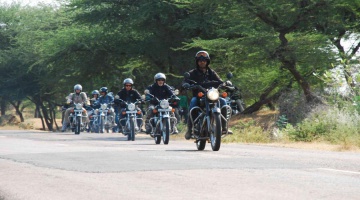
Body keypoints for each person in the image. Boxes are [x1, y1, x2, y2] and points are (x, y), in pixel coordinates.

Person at [182, 50, 232, 140]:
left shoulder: (211, 72)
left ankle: (224, 127)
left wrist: (226, 83)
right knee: (193, 103)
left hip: (212, 95)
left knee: (223, 101)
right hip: (199, 96)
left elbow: (220, 81)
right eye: (200, 60)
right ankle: (189, 129)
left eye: (204, 60)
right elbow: (186, 81)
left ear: (207, 61)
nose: (202, 62)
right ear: (197, 62)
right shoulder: (192, 73)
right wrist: (186, 84)